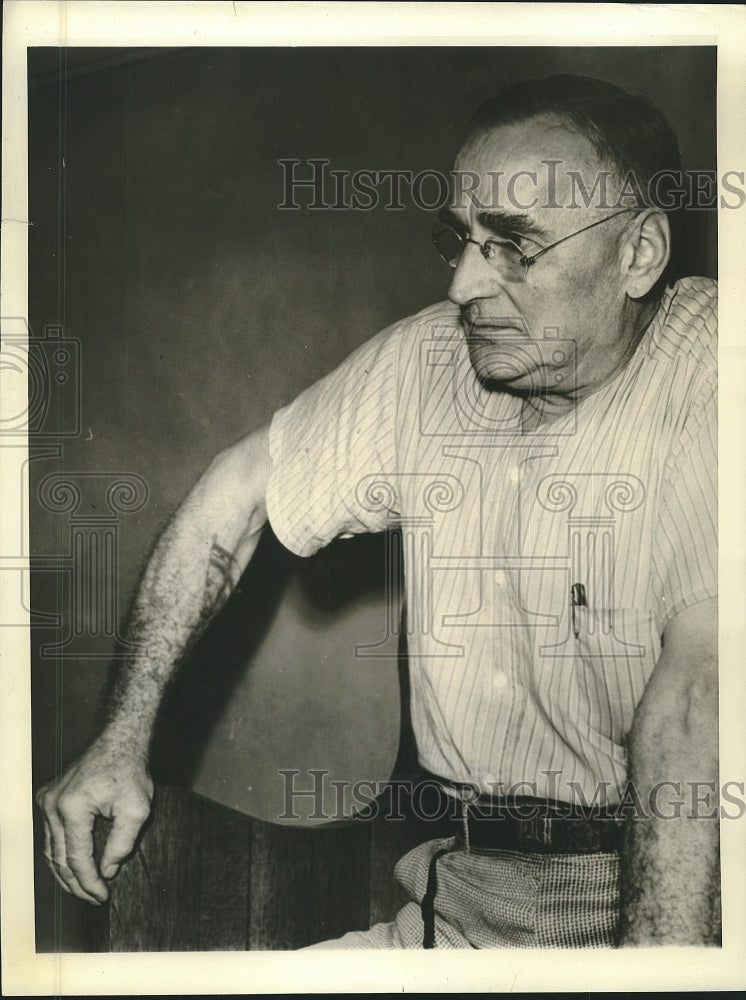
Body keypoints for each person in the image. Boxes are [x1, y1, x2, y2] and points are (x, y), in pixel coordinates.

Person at [37, 75, 718, 948]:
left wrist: (657, 971)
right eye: (460, 239)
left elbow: (702, 698)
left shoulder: (716, 358)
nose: (467, 283)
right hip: (461, 902)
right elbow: (233, 500)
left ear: (640, 254)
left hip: (682, 896)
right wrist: (117, 741)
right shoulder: (430, 361)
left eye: (514, 244)